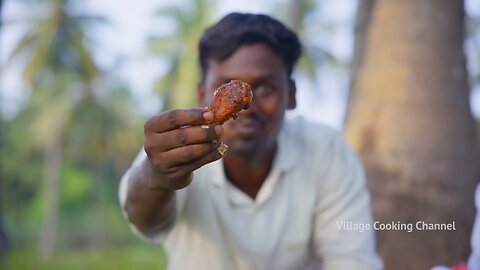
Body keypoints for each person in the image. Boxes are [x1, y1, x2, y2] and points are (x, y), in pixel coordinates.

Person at [119, 13, 383, 270]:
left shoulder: (326, 150)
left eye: (266, 87)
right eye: (225, 86)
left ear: (291, 95)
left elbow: (352, 259)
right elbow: (146, 219)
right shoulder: (176, 149)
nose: (247, 107)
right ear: (202, 95)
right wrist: (157, 178)